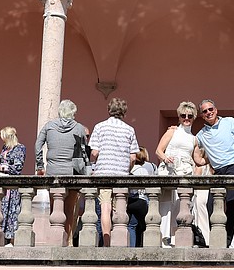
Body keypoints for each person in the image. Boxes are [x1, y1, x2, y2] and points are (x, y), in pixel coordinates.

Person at [193, 98, 234, 247]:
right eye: (205, 111)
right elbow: (194, 151)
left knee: (232, 204)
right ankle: (216, 236)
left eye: (211, 109)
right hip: (218, 171)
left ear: (216, 110)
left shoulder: (229, 121)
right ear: (202, 115)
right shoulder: (201, 135)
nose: (209, 112)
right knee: (210, 205)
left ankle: (226, 240)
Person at [34, 99, 89, 236]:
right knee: (70, 208)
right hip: (72, 171)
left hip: (53, 169)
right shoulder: (79, 128)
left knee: (55, 206)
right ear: (73, 113)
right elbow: (83, 151)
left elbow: (37, 146)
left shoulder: (49, 126)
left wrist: (40, 166)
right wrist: (87, 170)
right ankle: (67, 238)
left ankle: (55, 236)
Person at [89, 98, 140, 245]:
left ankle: (106, 241)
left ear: (109, 110)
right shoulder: (129, 129)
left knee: (105, 208)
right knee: (120, 209)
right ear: (124, 111)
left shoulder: (99, 127)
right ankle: (120, 241)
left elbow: (94, 153)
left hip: (104, 172)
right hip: (121, 174)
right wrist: (126, 168)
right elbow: (133, 157)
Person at [155, 101, 200, 246]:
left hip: (185, 173)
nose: (186, 118)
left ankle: (175, 240)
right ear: (179, 117)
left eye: (190, 116)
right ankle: (163, 240)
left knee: (180, 207)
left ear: (194, 117)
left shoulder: (194, 139)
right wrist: (165, 158)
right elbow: (158, 150)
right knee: (166, 206)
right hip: (168, 171)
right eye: (183, 115)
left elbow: (198, 159)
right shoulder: (172, 131)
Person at [0, 126, 26, 245]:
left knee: (12, 212)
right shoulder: (5, 148)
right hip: (2, 183)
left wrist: (1, 167)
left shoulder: (20, 148)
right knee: (1, 211)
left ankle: (11, 240)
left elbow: (18, 168)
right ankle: (1, 239)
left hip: (12, 187)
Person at [127, 148, 152, 247]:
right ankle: (142, 245)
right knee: (143, 226)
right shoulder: (145, 170)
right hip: (141, 200)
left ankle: (132, 247)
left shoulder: (129, 169)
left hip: (131, 200)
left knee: (131, 225)